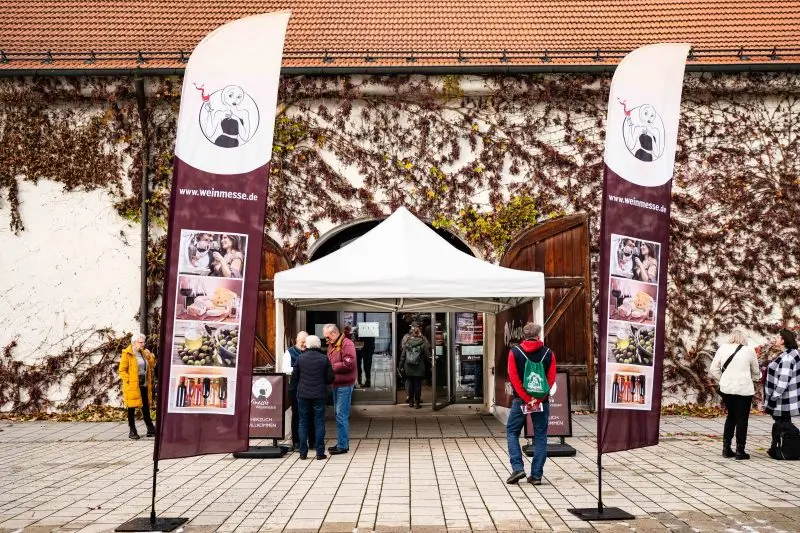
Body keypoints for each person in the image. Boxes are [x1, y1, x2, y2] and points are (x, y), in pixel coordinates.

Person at [505, 323, 556, 486]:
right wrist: (538, 399)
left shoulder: (514, 353)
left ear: (523, 336)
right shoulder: (549, 353)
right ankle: (536, 476)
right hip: (542, 401)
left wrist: (527, 398)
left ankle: (518, 468)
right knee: (540, 436)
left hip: (520, 400)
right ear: (538, 335)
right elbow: (551, 379)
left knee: (512, 431)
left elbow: (514, 378)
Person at [709, 329, 760, 459]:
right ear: (743, 339)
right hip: (744, 390)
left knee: (731, 416)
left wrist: (724, 379)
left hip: (727, 389)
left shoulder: (723, 348)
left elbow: (713, 369)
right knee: (742, 419)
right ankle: (740, 450)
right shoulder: (749, 350)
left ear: (731, 337)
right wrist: (752, 379)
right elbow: (756, 372)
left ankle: (726, 449)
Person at [294, 335, 334, 460]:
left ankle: (302, 452)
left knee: (303, 422)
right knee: (319, 422)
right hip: (319, 394)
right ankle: (320, 452)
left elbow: (295, 376)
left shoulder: (300, 358)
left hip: (303, 394)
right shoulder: (324, 358)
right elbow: (330, 378)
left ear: (307, 345)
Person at [765, 329, 800, 457]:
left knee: (782, 422)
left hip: (783, 398)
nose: (776, 339)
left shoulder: (787, 358)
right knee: (783, 422)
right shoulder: (794, 353)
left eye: (778, 337)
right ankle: (781, 448)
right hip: (790, 397)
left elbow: (783, 380)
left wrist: (774, 396)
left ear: (784, 340)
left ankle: (784, 449)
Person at [323, 323, 357, 455]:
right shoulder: (333, 344)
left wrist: (332, 367)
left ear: (334, 333)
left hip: (345, 384)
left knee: (341, 415)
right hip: (337, 383)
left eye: (327, 337)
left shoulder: (346, 344)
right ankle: (342, 442)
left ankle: (343, 446)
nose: (326, 340)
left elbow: (349, 363)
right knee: (338, 414)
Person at [119, 333, 156, 440]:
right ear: (134, 342)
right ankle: (132, 430)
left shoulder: (143, 353)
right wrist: (129, 381)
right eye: (140, 342)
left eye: (143, 342)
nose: (143, 344)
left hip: (144, 384)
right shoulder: (127, 354)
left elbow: (151, 365)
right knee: (131, 408)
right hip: (132, 385)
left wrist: (150, 356)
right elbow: (122, 370)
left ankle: (150, 428)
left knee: (145, 406)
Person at [283, 331, 314, 451]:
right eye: (302, 342)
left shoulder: (310, 351)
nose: (304, 345)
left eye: (306, 343)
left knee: (310, 415)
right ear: (297, 340)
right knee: (297, 415)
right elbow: (285, 369)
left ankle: (312, 441)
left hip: (309, 387)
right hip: (295, 388)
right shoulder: (289, 352)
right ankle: (296, 441)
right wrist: (300, 369)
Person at [399, 326, 431, 408]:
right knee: (417, 385)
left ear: (412, 333)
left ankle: (410, 402)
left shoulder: (407, 342)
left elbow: (403, 356)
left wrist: (400, 366)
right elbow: (428, 355)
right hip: (419, 367)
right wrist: (431, 363)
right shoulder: (423, 342)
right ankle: (417, 402)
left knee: (410, 384)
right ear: (419, 333)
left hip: (408, 367)